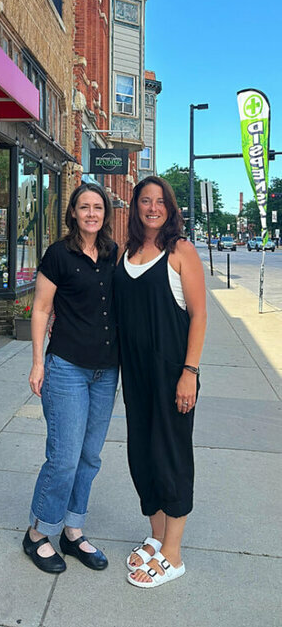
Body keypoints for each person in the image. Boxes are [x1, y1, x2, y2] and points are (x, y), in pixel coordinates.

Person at [114, 175, 207, 588]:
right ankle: (155, 536)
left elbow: (199, 317)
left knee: (170, 456)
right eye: (145, 201)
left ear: (170, 209)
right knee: (141, 454)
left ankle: (174, 552)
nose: (153, 208)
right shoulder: (126, 253)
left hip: (172, 373)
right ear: (135, 207)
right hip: (135, 374)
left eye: (160, 202)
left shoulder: (180, 251)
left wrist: (189, 373)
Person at [23, 183, 119, 574]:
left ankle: (73, 530)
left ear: (105, 214)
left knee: (89, 457)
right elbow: (41, 309)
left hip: (106, 371)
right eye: (85, 207)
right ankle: (37, 534)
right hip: (66, 368)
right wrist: (37, 363)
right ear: (74, 213)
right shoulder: (58, 255)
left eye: (98, 207)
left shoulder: (114, 254)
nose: (92, 213)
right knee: (63, 457)